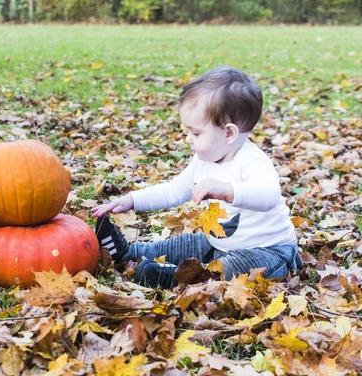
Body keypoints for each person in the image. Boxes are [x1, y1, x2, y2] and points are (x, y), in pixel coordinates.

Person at [91, 66, 303, 288]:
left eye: (196, 133)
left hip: (268, 252)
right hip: (218, 243)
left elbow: (269, 195)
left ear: (229, 133)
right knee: (187, 244)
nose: (188, 139)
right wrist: (131, 200)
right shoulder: (203, 161)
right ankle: (129, 253)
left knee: (232, 269)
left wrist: (228, 190)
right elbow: (173, 191)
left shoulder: (252, 161)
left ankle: (181, 277)